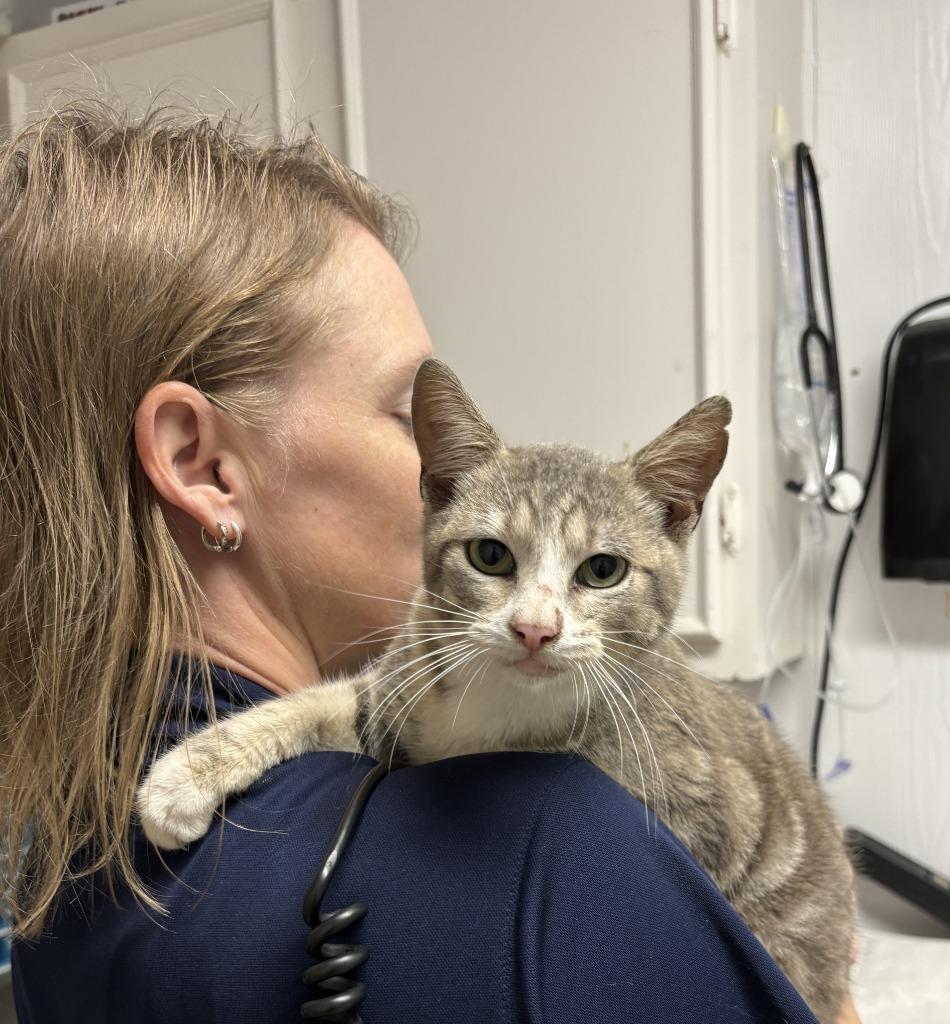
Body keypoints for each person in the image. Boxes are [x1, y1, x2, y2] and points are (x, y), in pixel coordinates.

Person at [1, 95, 860, 1023]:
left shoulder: (57, 851)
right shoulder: (554, 852)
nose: (439, 476)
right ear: (203, 465)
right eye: (408, 417)